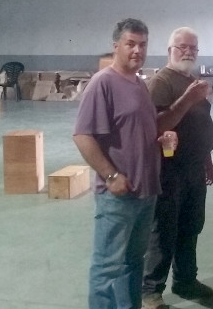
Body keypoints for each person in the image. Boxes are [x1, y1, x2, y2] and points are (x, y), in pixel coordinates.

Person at [73, 18, 175, 309]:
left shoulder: (140, 84)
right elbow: (82, 135)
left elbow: (141, 129)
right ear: (116, 46)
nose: (137, 50)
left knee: (134, 262)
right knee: (106, 267)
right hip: (118, 195)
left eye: (142, 45)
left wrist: (160, 138)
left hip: (145, 191)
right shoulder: (102, 83)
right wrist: (111, 175)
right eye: (130, 44)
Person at [142, 27, 213, 309]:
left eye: (193, 48)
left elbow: (199, 122)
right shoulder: (162, 82)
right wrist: (187, 98)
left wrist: (206, 157)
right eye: (182, 47)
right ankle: (151, 290)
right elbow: (156, 125)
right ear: (169, 49)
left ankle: (186, 280)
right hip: (169, 169)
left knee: (191, 226)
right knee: (165, 230)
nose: (188, 52)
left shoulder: (191, 80)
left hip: (194, 167)